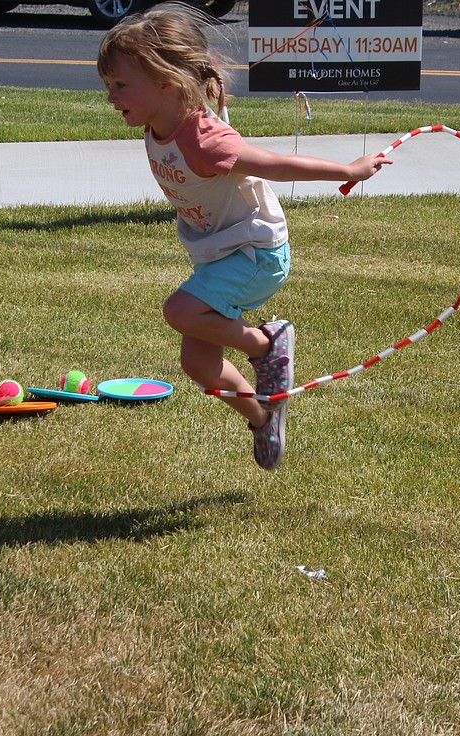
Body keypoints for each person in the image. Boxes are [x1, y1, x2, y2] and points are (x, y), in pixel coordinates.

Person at [97, 4, 390, 471]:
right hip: (218, 257)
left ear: (167, 82)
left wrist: (348, 170)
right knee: (197, 361)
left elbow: (275, 164)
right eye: (108, 86)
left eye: (120, 85)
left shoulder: (203, 138)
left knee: (180, 310)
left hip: (257, 252)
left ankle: (266, 344)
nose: (111, 97)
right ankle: (262, 417)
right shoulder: (159, 121)